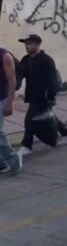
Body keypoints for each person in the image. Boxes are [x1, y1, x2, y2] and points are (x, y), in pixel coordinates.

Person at [17, 34, 67, 156]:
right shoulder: (26, 59)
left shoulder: (46, 60)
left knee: (29, 120)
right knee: (46, 114)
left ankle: (27, 145)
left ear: (37, 44)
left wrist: (51, 97)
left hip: (44, 96)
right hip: (32, 94)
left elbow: (52, 80)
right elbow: (20, 74)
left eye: (30, 43)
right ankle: (66, 132)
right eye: (25, 44)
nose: (27, 46)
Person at [0, 45, 22, 175]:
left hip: (1, 98)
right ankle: (1, 164)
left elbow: (12, 80)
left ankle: (14, 160)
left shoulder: (4, 56)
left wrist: (9, 103)